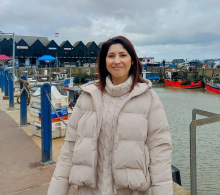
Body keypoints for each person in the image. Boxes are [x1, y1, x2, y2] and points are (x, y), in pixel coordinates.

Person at [48, 36, 173, 195]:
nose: (117, 60)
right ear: (104, 62)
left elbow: (160, 153)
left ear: (132, 60)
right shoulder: (88, 97)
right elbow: (69, 150)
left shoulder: (149, 99)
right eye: (111, 56)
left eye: (123, 55)